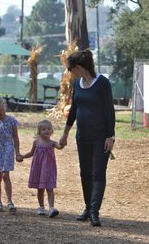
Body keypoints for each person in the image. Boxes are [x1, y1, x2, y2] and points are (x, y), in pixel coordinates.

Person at [59, 49, 115, 227]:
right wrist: (66, 133)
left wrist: (110, 135)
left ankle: (94, 212)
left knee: (98, 173)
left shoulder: (102, 83)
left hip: (101, 137)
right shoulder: (77, 84)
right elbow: (74, 110)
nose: (70, 72)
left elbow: (109, 110)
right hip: (82, 137)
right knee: (85, 173)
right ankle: (87, 207)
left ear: (79, 67)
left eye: (71, 68)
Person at [20, 120, 63, 218]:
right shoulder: (36, 142)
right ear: (39, 131)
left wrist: (63, 143)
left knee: (50, 188)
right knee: (40, 189)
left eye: (48, 129)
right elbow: (31, 153)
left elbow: (59, 146)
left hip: (49, 169)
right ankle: (41, 207)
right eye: (43, 129)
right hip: (39, 168)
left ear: (52, 131)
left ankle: (51, 208)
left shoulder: (53, 143)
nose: (46, 131)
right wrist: (22, 156)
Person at [0, 97, 21, 213]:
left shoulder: (11, 121)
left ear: (5, 107)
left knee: (5, 175)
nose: (1, 113)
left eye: (2, 110)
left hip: (7, 150)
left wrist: (17, 153)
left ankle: (10, 201)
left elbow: (15, 138)